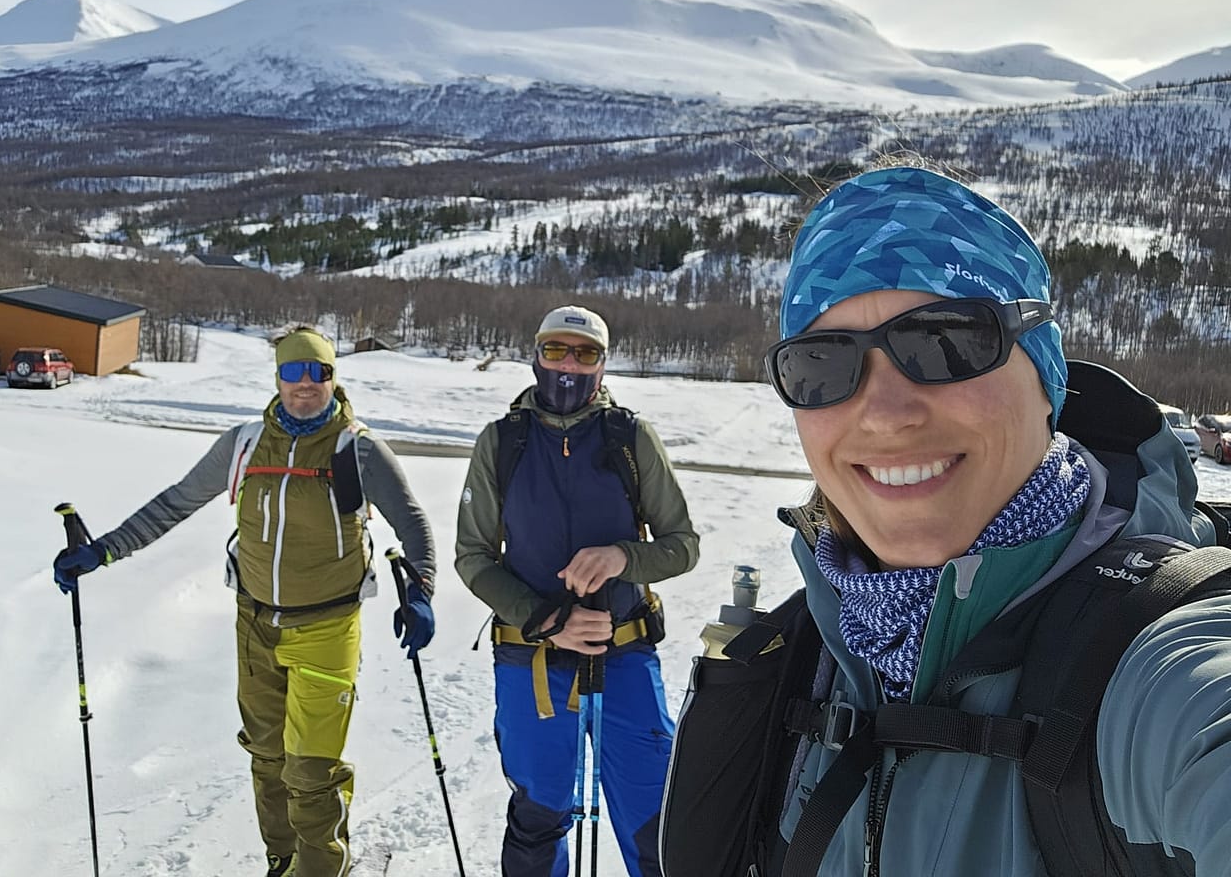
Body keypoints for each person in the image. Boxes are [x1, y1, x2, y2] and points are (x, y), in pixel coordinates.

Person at [661, 164, 1231, 876]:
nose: (888, 412)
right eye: (822, 363)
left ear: (1044, 372)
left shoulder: (1161, 666)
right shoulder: (807, 659)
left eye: (947, 341)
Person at [52, 325, 437, 877]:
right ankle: (282, 861)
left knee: (310, 770)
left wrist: (420, 590)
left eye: (318, 372)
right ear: (277, 377)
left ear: (333, 377)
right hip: (254, 624)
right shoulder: (244, 443)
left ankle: (324, 868)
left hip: (327, 629)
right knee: (268, 758)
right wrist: (104, 552)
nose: (305, 383)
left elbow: (414, 523)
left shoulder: (358, 449)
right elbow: (175, 503)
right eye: (293, 371)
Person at [456, 304, 699, 877]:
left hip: (625, 654)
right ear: (535, 355)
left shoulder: (630, 438)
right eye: (556, 350)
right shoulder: (502, 442)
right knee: (540, 810)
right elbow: (474, 558)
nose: (569, 365)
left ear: (603, 364)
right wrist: (546, 618)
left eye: (584, 353)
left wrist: (623, 557)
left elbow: (682, 544)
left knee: (652, 813)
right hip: (531, 660)